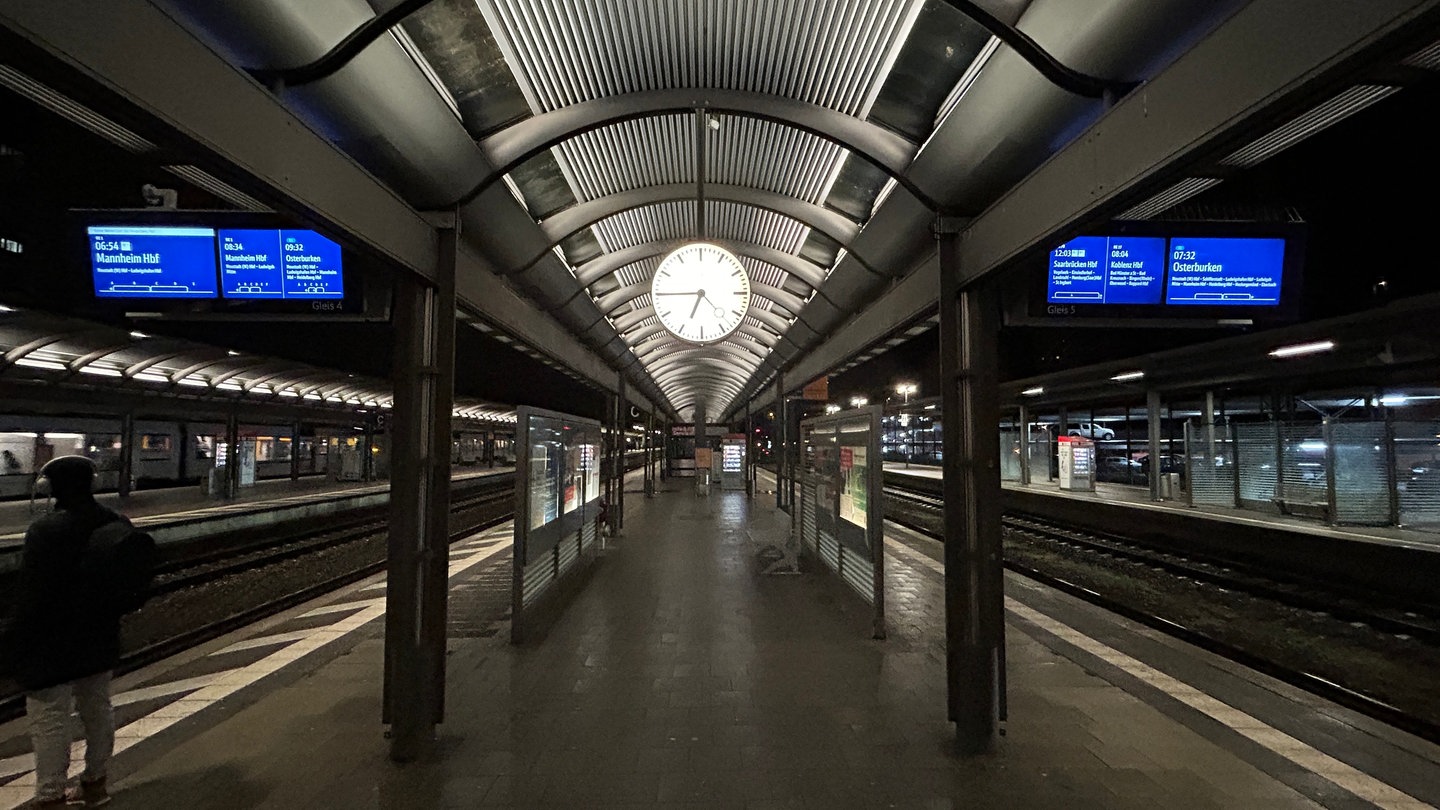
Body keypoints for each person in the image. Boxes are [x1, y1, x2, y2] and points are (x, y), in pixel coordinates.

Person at [0, 456, 151, 808]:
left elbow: (32, 596)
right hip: (99, 635)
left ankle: (50, 795)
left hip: (51, 642)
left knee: (50, 718)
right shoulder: (115, 521)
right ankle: (95, 784)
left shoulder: (46, 531)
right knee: (97, 709)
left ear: (50, 488)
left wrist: (12, 642)